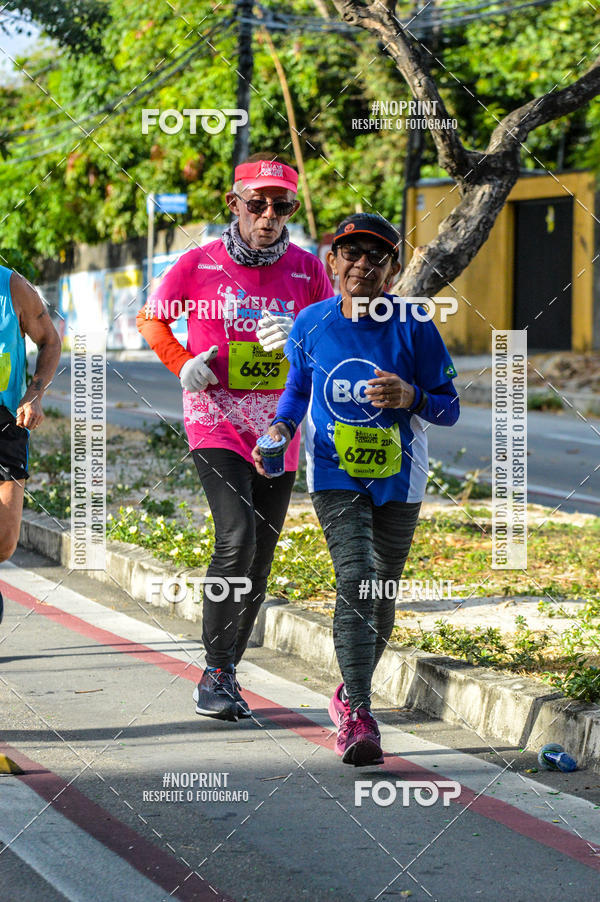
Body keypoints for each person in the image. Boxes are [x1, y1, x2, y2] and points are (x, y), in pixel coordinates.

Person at [253, 213, 460, 766]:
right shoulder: (311, 323)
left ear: (392, 271)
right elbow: (296, 392)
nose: (362, 264)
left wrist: (410, 395)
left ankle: (347, 693)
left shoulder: (414, 325)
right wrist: (279, 428)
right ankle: (360, 712)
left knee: (381, 592)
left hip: (400, 475)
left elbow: (450, 408)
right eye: (351, 253)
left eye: (376, 256)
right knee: (358, 574)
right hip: (333, 473)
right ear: (332, 263)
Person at [137, 154, 332, 722]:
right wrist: (180, 361)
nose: (269, 216)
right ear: (234, 205)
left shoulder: (306, 268)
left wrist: (298, 341)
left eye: (282, 206)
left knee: (262, 556)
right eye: (257, 204)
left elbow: (329, 333)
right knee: (237, 536)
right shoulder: (198, 263)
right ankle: (214, 673)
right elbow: (153, 318)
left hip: (278, 427)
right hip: (214, 416)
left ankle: (229, 671)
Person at [0, 266, 62, 622]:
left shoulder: (12, 287)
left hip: (6, 423)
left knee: (5, 544)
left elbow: (50, 340)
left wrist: (33, 395)